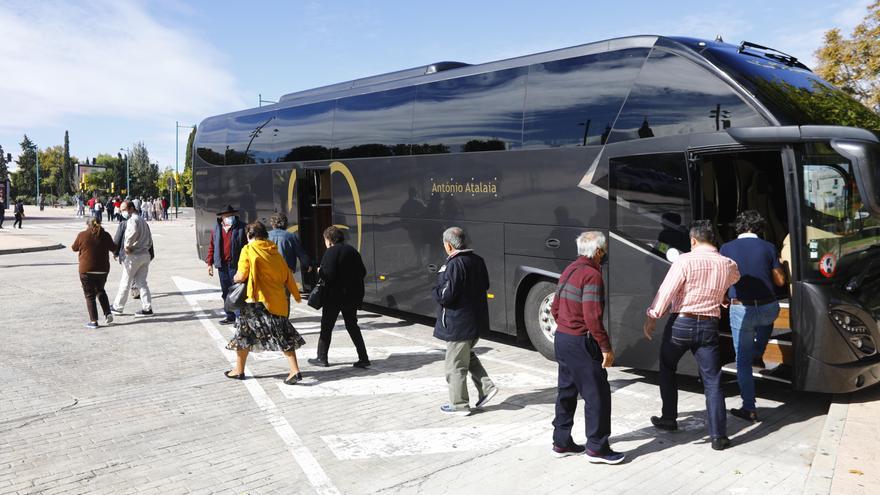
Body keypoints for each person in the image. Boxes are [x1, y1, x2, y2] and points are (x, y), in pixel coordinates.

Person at [643, 220, 740, 451]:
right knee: (712, 381)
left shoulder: (684, 260)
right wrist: (719, 293)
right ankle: (718, 436)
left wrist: (652, 316)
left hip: (681, 323)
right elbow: (735, 277)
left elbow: (667, 291)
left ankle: (669, 418)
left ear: (693, 240)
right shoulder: (727, 263)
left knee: (667, 366)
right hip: (708, 326)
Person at [549, 231, 624, 463]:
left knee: (567, 392)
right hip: (580, 341)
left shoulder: (569, 269)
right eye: (606, 249)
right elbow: (592, 317)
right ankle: (597, 448)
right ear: (599, 251)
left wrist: (565, 325)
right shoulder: (592, 276)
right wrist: (605, 346)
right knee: (597, 395)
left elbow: (555, 307)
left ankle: (561, 442)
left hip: (562, 337)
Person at [719, 211, 786, 421]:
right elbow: (780, 282)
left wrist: (722, 296)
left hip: (741, 309)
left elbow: (722, 278)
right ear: (760, 228)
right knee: (766, 322)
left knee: (743, 361)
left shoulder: (726, 248)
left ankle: (749, 407)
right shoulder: (769, 247)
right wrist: (782, 265)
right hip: (768, 308)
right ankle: (759, 350)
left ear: (738, 227)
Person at [225, 221, 306, 384]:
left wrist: (235, 277)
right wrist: (296, 295)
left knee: (243, 333)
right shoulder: (274, 251)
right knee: (281, 333)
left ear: (250, 235)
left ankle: (239, 370)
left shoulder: (248, 250)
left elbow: (241, 276)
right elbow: (286, 274)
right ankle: (294, 370)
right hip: (275, 300)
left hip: (254, 301)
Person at [430, 226, 497, 416]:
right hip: (475, 320)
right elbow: (485, 285)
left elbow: (446, 295)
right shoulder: (478, 260)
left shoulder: (454, 264)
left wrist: (435, 289)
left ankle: (459, 404)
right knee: (466, 356)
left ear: (449, 245)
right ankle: (486, 387)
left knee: (455, 365)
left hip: (459, 322)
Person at [308, 226, 370, 368]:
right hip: (352, 296)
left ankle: (321, 358)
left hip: (334, 297)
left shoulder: (331, 252)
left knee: (326, 327)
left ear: (329, 240)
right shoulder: (352, 251)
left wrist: (319, 271)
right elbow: (363, 272)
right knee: (352, 326)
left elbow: (328, 275)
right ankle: (363, 357)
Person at [109, 200, 154, 317]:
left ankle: (117, 307)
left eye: (124, 209)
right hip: (144, 254)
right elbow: (149, 239)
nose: (122, 212)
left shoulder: (132, 220)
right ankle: (147, 308)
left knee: (125, 281)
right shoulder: (143, 221)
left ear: (131, 208)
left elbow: (131, 233)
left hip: (134, 256)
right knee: (142, 283)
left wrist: (127, 246)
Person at [72, 218, 117, 328]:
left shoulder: (82, 235)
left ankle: (94, 321)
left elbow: (74, 248)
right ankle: (107, 313)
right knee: (100, 290)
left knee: (89, 295)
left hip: (86, 269)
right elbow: (114, 248)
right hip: (103, 269)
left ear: (87, 224)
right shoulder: (105, 235)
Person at [206, 204, 247, 325]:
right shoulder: (216, 229)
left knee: (237, 292)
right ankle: (230, 316)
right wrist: (209, 263)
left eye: (231, 215)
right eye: (227, 216)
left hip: (236, 265)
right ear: (222, 217)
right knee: (225, 292)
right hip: (222, 266)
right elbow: (212, 247)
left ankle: (240, 317)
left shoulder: (242, 228)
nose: (229, 217)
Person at [267, 213, 311, 278]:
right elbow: (300, 253)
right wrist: (308, 264)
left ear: (272, 224)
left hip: (269, 272)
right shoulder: (290, 236)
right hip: (285, 272)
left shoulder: (266, 236)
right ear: (285, 224)